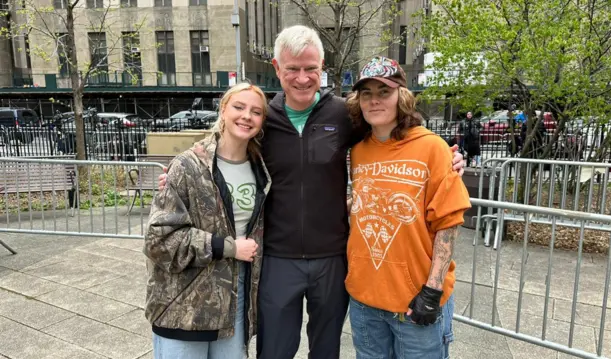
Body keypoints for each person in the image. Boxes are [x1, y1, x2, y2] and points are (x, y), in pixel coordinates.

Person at [156, 25, 466, 359]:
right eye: (292, 69)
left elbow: (393, 131)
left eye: (311, 69)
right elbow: (226, 144)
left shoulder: (344, 114)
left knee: (325, 351)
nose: (302, 78)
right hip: (276, 257)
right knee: (274, 351)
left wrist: (446, 155)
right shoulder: (262, 119)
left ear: (323, 68)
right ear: (277, 68)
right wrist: (183, 173)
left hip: (332, 258)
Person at [345, 56, 471, 358]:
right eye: (367, 94)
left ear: (401, 97)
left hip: (415, 302)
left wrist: (432, 289)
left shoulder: (433, 148)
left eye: (383, 92)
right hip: (365, 303)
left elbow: (449, 221)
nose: (375, 101)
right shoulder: (358, 151)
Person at [143, 82, 271, 359]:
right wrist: (228, 247)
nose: (246, 116)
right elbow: (159, 240)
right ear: (223, 110)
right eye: (239, 107)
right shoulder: (187, 166)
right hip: (183, 306)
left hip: (234, 304)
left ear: (262, 122)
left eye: (256, 111)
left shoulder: (263, 171)